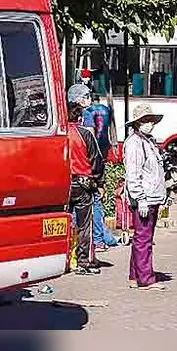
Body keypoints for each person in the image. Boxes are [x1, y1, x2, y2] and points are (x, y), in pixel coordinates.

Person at [122, 103, 167, 290]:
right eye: (145, 120)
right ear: (137, 123)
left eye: (151, 120)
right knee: (144, 239)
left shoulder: (147, 141)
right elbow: (133, 173)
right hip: (144, 198)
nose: (150, 124)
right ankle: (145, 278)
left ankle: (135, 275)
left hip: (151, 196)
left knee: (142, 238)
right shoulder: (135, 143)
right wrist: (140, 198)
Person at [68, 84, 105, 275]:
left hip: (64, 184)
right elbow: (96, 160)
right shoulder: (84, 134)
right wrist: (100, 183)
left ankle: (66, 258)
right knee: (84, 225)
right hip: (83, 185)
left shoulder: (60, 134)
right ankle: (83, 261)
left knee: (65, 223)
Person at [82, 92, 119, 252]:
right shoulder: (104, 110)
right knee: (96, 203)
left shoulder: (87, 114)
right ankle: (98, 240)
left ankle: (87, 242)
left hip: (85, 162)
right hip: (100, 152)